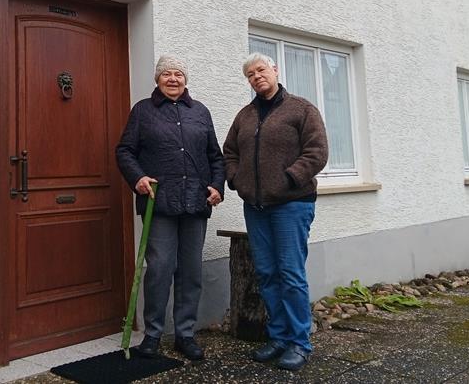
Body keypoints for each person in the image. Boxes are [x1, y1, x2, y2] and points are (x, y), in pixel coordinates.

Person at [223, 52, 328, 371]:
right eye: (250, 74)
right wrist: (236, 179)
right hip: (256, 207)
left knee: (291, 274)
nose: (257, 76)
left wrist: (287, 179)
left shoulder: (302, 109)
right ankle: (279, 337)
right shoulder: (245, 116)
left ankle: (299, 342)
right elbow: (229, 153)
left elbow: (317, 151)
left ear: (275, 70)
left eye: (261, 70)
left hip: (291, 205)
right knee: (267, 273)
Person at [116, 54, 225, 361]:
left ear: (185, 79)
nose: (173, 79)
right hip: (159, 203)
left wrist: (217, 186)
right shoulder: (143, 112)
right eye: (167, 74)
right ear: (157, 79)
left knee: (191, 271)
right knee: (160, 269)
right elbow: (125, 151)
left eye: (178, 74)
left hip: (195, 202)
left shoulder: (200, 112)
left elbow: (215, 157)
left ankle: (185, 334)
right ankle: (152, 334)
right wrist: (137, 178)